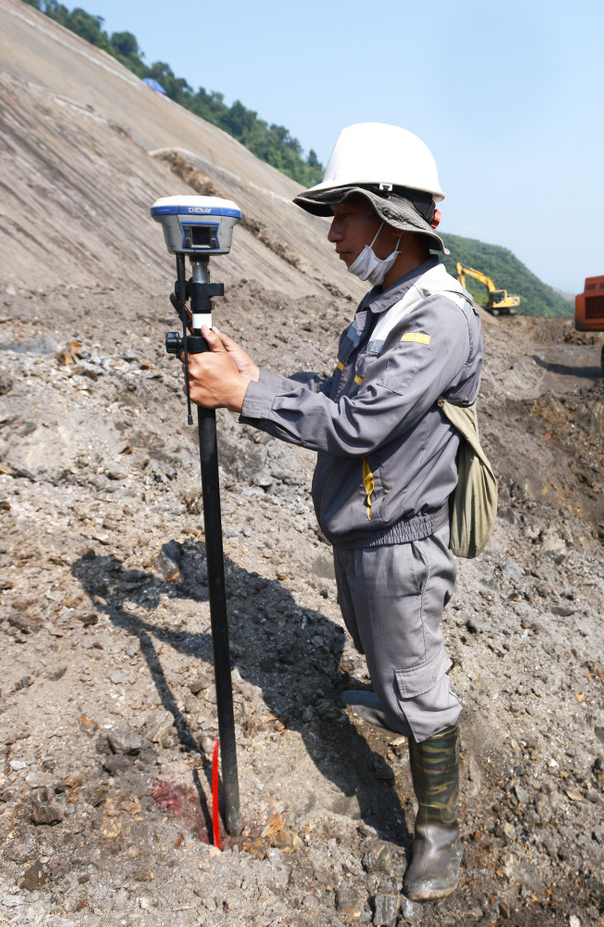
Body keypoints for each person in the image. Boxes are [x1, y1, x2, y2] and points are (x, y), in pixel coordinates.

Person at [184, 122, 481, 902]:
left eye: (344, 215)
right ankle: (390, 694)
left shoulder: (438, 319)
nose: (334, 234)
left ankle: (439, 833)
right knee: (379, 644)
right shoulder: (390, 301)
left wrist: (244, 395)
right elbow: (344, 390)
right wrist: (262, 377)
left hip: (402, 542)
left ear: (390, 217)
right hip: (366, 533)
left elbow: (360, 422)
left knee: (421, 683)